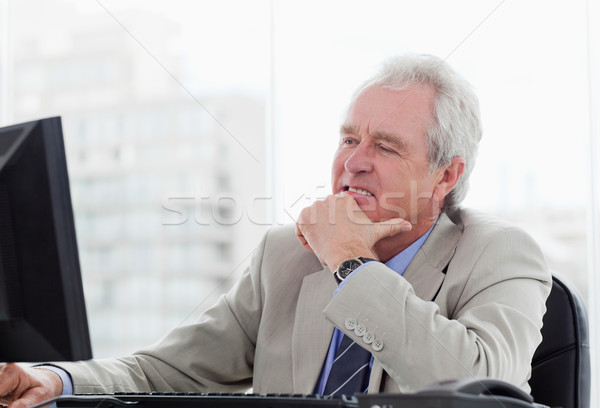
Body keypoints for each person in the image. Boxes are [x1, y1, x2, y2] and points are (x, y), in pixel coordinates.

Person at [0, 53, 551, 408]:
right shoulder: (286, 255)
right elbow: (163, 371)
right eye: (347, 139)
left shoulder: (499, 253)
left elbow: (482, 391)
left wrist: (353, 265)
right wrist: (56, 380)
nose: (354, 162)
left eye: (385, 146)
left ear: (445, 175)